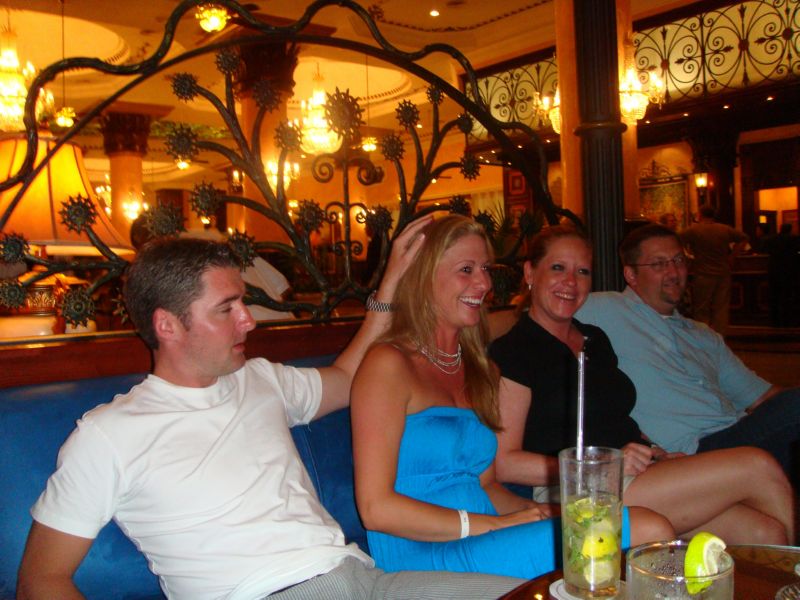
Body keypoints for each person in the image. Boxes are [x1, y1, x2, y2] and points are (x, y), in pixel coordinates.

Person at [16, 220, 526, 600]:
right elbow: (41, 579)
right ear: (168, 325)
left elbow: (348, 377)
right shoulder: (109, 434)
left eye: (243, 302)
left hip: (365, 581)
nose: (249, 321)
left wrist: (390, 287)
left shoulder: (259, 379)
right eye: (227, 309)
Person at [351, 215, 673, 582]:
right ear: (424, 276)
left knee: (630, 528)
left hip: (482, 539)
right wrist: (491, 525)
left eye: (485, 269)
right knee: (646, 529)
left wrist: (540, 511)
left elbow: (486, 485)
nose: (484, 283)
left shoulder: (481, 369)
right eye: (466, 270)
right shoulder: (388, 364)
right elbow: (375, 509)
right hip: (422, 553)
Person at [490, 225, 794, 545]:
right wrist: (603, 465)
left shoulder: (594, 338)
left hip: (637, 473)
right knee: (758, 466)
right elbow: (505, 463)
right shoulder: (514, 351)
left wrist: (655, 452)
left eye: (582, 271)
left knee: (763, 532)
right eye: (557, 268)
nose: (571, 281)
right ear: (530, 272)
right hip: (579, 487)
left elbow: (614, 418)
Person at [575, 223, 800, 489]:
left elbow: (763, 397)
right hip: (691, 452)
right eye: (659, 264)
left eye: (678, 260)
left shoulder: (704, 335)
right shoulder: (604, 309)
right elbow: (545, 309)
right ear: (631, 275)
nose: (673, 272)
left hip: (737, 434)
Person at [680, 205, 748, 334]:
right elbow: (744, 238)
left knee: (701, 307)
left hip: (702, 273)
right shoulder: (724, 229)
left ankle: (704, 336)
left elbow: (676, 240)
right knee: (721, 307)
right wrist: (732, 256)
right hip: (723, 272)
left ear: (700, 215)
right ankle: (720, 335)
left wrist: (686, 258)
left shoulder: (694, 230)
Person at [765, 223, 800, 327]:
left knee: (774, 295)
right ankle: (786, 319)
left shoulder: (771, 239)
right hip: (788, 270)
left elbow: (765, 250)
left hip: (773, 269)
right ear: (790, 229)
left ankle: (774, 320)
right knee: (787, 295)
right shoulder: (794, 239)